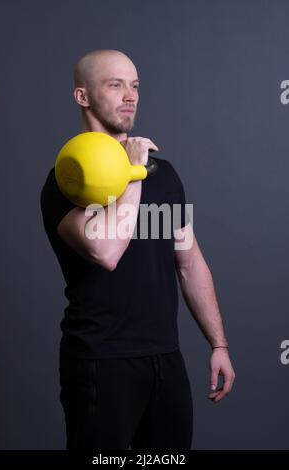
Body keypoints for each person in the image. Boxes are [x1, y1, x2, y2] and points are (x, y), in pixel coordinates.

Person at [40, 49, 235, 451]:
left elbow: (189, 262)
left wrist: (218, 344)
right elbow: (106, 252)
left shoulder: (164, 176)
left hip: (165, 358)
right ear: (83, 97)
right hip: (100, 359)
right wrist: (133, 175)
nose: (130, 96)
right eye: (115, 85)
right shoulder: (67, 178)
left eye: (135, 86)